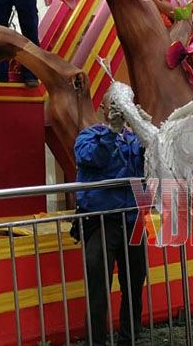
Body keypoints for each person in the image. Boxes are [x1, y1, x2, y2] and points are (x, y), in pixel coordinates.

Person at [73, 92, 146, 345]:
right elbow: (91, 157)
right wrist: (112, 132)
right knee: (98, 288)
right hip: (101, 222)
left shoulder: (135, 139)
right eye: (113, 105)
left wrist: (149, 135)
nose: (119, 109)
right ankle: (96, 341)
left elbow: (150, 167)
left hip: (133, 222)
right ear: (103, 108)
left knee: (135, 284)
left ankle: (131, 337)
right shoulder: (89, 135)